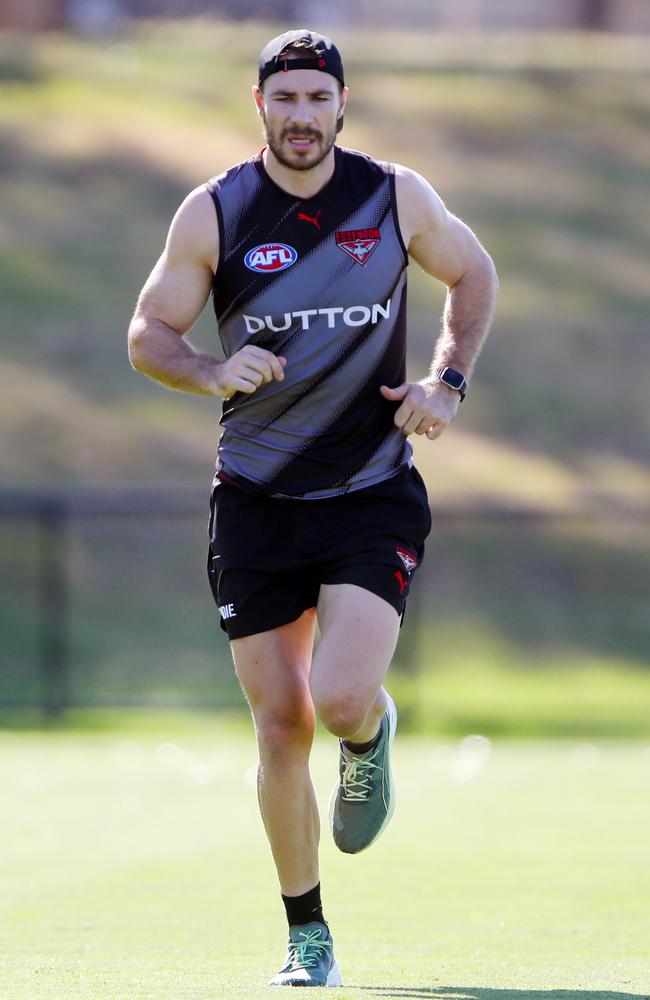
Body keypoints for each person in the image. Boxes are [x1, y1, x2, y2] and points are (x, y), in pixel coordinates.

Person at [128, 28, 497, 988]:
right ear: (261, 105)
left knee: (336, 700)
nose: (301, 116)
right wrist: (212, 369)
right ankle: (307, 934)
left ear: (342, 104)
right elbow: (147, 333)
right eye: (283, 99)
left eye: (316, 99)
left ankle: (370, 737)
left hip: (371, 490)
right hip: (254, 499)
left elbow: (474, 276)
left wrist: (446, 383)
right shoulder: (215, 212)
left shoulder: (394, 194)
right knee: (281, 724)